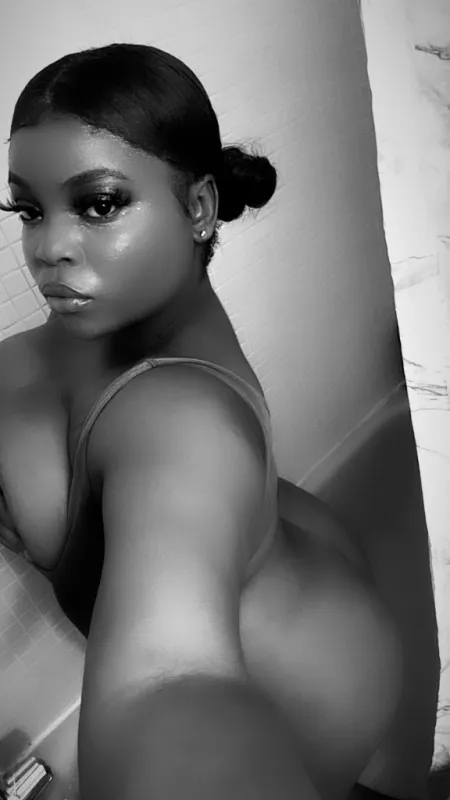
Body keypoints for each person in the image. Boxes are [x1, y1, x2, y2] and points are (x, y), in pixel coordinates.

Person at [0, 43, 406, 800]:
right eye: (28, 209)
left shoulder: (180, 420)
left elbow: (165, 682)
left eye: (99, 204)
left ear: (198, 209)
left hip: (312, 696)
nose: (47, 248)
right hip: (307, 584)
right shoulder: (44, 353)